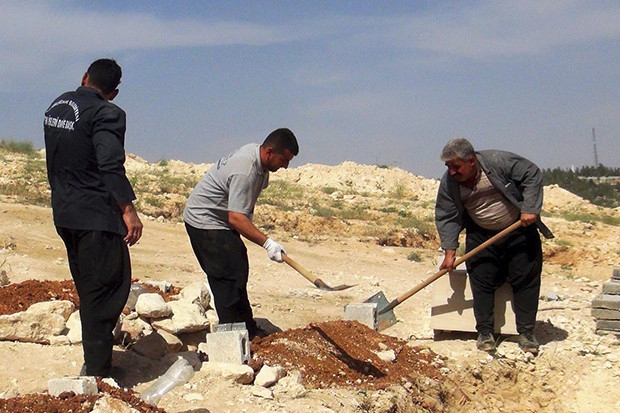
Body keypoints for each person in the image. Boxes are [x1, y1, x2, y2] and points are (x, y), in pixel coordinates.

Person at [44, 58, 143, 378]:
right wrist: (128, 210)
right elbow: (110, 164)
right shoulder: (108, 113)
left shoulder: (57, 105)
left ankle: (96, 360)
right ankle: (98, 372)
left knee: (90, 287)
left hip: (65, 212)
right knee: (108, 287)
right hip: (95, 216)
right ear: (113, 92)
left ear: (85, 77)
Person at [434, 137, 553, 354]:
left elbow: (532, 174)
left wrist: (530, 207)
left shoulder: (498, 162)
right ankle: (485, 333)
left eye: (456, 166)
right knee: (481, 281)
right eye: (448, 167)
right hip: (481, 235)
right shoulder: (450, 183)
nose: (451, 172)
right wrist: (449, 251)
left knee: (525, 280)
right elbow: (447, 215)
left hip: (518, 230)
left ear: (471, 161)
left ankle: (526, 333)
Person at [183, 128, 299, 339]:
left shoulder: (260, 164)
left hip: (220, 220)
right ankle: (232, 338)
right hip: (204, 221)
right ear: (270, 152)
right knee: (225, 276)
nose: (285, 165)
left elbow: (243, 209)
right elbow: (236, 218)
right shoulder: (246, 169)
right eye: (284, 159)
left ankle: (248, 330)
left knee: (238, 267)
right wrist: (268, 244)